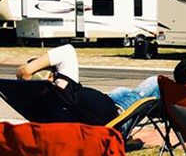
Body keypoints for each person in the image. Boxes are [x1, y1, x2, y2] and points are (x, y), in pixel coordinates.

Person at [16, 43, 161, 111]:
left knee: (121, 90)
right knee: (154, 81)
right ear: (47, 79)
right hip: (117, 118)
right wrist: (27, 70)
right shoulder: (63, 90)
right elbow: (67, 51)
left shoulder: (38, 103)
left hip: (102, 104)